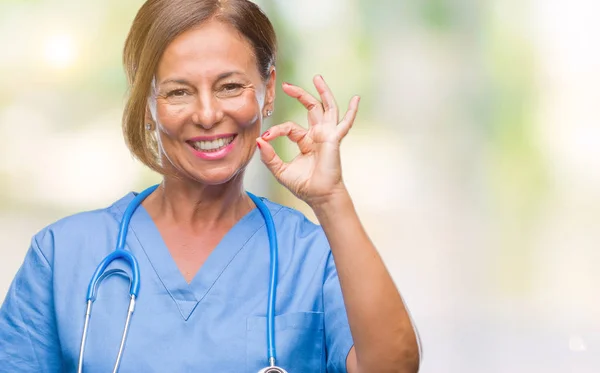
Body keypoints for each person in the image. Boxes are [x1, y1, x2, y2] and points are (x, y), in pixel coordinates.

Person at [0, 0, 421, 372]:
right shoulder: (61, 257)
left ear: (268, 90)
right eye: (179, 91)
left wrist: (331, 199)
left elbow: (393, 367)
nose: (207, 114)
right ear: (146, 104)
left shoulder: (313, 258)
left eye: (230, 86)